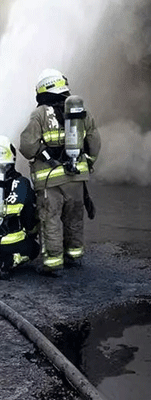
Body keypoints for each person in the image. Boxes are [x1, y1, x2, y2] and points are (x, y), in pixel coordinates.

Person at [19, 69, 101, 277]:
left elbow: (27, 147)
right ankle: (74, 256)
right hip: (77, 178)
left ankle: (53, 263)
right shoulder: (81, 112)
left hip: (50, 181)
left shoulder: (40, 114)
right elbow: (94, 141)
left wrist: (43, 153)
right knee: (74, 217)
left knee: (51, 219)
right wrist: (87, 163)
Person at [0, 136, 39, 279]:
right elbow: (29, 216)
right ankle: (9, 260)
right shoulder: (22, 183)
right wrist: (32, 231)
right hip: (10, 244)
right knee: (34, 249)